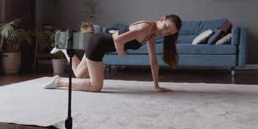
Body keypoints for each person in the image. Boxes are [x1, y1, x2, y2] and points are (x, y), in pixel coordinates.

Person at [43, 14, 182, 92]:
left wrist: (156, 85)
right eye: (166, 27)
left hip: (100, 43)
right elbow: (119, 40)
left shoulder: (152, 34)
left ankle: (63, 48)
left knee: (79, 74)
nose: (164, 32)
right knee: (95, 86)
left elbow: (153, 60)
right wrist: (121, 53)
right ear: (162, 19)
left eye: (168, 33)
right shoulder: (145, 28)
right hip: (98, 45)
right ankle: (59, 81)